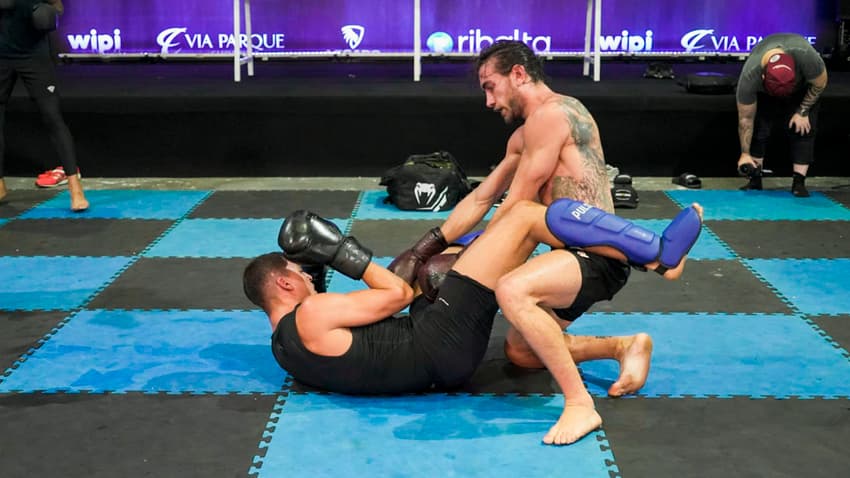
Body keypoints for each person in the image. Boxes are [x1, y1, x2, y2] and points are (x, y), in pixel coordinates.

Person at [386, 41, 676, 443]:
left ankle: (580, 406)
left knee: (513, 289)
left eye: (491, 86)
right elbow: (482, 198)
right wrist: (428, 245)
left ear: (519, 74)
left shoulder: (555, 115)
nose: (488, 101)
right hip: (568, 256)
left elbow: (519, 204)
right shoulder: (523, 137)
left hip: (597, 256)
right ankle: (623, 346)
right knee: (521, 352)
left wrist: (469, 259)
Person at [243, 199, 702, 445]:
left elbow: (383, 328)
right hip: (435, 340)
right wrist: (344, 253)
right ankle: (660, 257)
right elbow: (397, 295)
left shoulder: (285, 351)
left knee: (516, 335)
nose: (314, 277)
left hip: (432, 359)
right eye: (304, 273)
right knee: (523, 216)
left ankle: (623, 346)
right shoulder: (311, 314)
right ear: (284, 285)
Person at [0, 0, 88, 210]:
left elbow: (57, 8)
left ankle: (76, 190)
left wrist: (45, 13)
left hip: (33, 56)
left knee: (52, 116)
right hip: (1, 55)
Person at [735, 33, 827, 197]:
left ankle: (799, 183)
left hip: (802, 90)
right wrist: (745, 153)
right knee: (759, 128)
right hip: (765, 91)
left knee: (804, 128)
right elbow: (745, 119)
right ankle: (755, 180)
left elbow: (820, 82)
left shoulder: (806, 57)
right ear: (763, 76)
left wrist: (803, 111)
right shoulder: (750, 76)